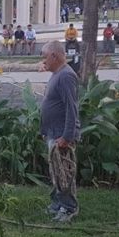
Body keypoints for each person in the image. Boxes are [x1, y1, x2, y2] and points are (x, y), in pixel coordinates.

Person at [39, 41, 80, 222]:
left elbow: (72, 109)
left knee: (64, 173)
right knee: (56, 172)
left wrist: (67, 136)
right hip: (52, 132)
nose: (43, 61)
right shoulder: (57, 74)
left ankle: (68, 208)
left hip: (60, 135)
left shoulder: (65, 76)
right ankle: (57, 204)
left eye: (45, 56)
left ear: (54, 56)